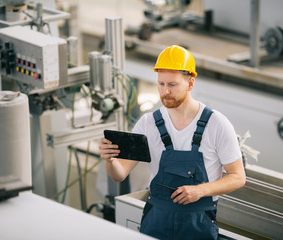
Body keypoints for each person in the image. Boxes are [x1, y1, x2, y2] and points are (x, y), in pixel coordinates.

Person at [99, 45, 246, 240]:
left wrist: (200, 190)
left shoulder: (216, 124)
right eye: (161, 84)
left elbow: (238, 177)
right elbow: (119, 175)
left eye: (172, 85)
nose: (165, 91)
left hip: (198, 225)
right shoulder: (148, 123)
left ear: (190, 83)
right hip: (155, 222)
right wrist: (110, 160)